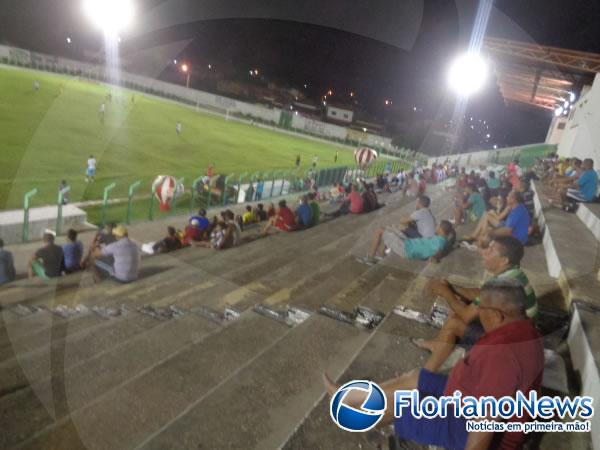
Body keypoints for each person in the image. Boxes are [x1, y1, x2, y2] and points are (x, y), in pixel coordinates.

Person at [324, 279, 544, 450]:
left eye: (481, 309)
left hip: (469, 426)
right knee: (415, 378)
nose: (476, 312)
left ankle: (359, 419)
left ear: (496, 315)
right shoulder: (524, 328)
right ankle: (349, 396)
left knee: (400, 406)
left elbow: (483, 425)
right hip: (468, 395)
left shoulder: (503, 356)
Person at [416, 236, 537, 372]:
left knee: (455, 322)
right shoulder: (513, 273)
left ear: (504, 260)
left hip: (510, 346)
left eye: (491, 250)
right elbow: (481, 293)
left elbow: (466, 315)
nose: (484, 252)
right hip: (519, 332)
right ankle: (438, 345)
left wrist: (444, 292)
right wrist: (452, 288)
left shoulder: (502, 284)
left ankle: (425, 375)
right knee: (458, 308)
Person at [360, 220, 455, 265]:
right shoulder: (441, 238)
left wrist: (435, 258)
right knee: (388, 228)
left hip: (406, 249)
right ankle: (381, 254)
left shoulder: (440, 242)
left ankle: (370, 258)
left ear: (441, 230)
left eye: (438, 226)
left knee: (379, 231)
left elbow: (438, 252)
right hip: (408, 243)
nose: (436, 227)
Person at [463, 191, 530, 248]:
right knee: (486, 215)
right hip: (506, 226)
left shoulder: (517, 212)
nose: (506, 197)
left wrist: (490, 233)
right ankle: (475, 237)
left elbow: (508, 231)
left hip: (516, 238)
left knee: (488, 230)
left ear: (514, 200)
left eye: (508, 196)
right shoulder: (514, 206)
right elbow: (499, 218)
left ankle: (480, 239)